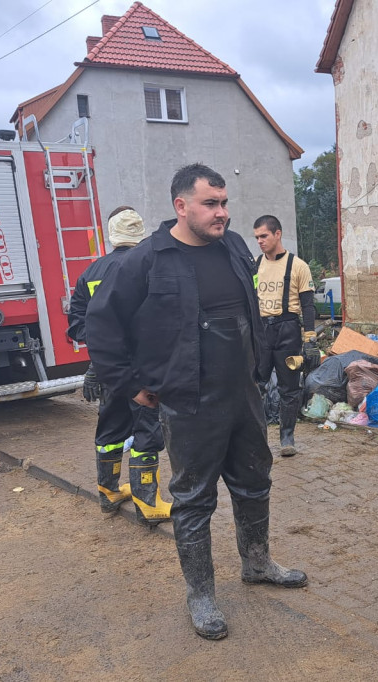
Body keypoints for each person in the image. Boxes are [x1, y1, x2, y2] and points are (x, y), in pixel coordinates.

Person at [86, 163, 307, 640]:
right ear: (180, 206)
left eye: (225, 203)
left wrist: (258, 373)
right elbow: (100, 326)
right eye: (211, 203)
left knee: (254, 483)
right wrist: (129, 384)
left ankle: (257, 563)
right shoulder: (144, 261)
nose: (222, 213)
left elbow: (245, 314)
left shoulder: (231, 246)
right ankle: (201, 594)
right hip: (188, 401)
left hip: (243, 396)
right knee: (193, 500)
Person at [66, 206, 171, 525]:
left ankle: (109, 492)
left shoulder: (92, 272)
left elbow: (77, 324)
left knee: (111, 429)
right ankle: (147, 503)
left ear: (111, 235)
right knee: (147, 433)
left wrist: (100, 356)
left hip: (108, 370)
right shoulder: (150, 267)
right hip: (142, 372)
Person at [252, 214, 318, 457]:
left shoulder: (298, 265)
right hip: (261, 331)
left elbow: (308, 305)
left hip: (287, 328)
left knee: (289, 387)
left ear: (277, 234)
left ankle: (287, 437)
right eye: (257, 236)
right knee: (256, 385)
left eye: (264, 236)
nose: (259, 241)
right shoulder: (255, 265)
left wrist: (310, 338)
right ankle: (258, 438)